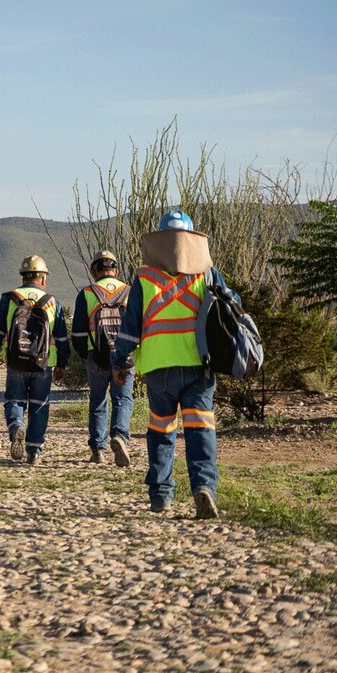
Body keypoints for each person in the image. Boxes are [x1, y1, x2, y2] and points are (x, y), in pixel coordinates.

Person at [113, 210, 240, 519]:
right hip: (200, 364)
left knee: (161, 429)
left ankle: (160, 495)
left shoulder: (144, 277)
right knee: (200, 428)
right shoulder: (209, 273)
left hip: (159, 367)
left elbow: (130, 327)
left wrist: (120, 361)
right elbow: (233, 306)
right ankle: (204, 488)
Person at [0, 255, 70, 464]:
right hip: (44, 363)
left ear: (23, 276)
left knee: (14, 399)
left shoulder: (9, 298)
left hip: (16, 360)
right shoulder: (52, 302)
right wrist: (62, 363)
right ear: (42, 278)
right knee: (40, 405)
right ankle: (34, 452)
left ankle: (16, 426)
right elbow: (61, 337)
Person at [72, 250, 134, 466]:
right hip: (125, 357)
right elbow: (139, 326)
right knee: (123, 399)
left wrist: (84, 354)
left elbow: (78, 332)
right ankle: (120, 436)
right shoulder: (129, 291)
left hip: (95, 355)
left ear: (94, 270)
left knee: (98, 401)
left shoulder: (87, 293)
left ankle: (98, 449)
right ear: (116, 270)